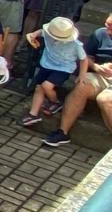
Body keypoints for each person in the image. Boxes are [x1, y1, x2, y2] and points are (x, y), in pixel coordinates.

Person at [40, 12, 112, 149]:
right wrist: (96, 66)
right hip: (101, 75)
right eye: (107, 25)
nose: (108, 30)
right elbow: (87, 58)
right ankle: (62, 132)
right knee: (81, 85)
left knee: (105, 99)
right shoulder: (100, 34)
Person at [22, 17, 88, 130]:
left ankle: (55, 102)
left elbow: (84, 59)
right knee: (39, 88)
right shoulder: (48, 33)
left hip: (64, 68)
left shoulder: (76, 45)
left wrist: (82, 75)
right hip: (47, 64)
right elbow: (40, 32)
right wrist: (33, 35)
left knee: (46, 85)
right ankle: (33, 114)